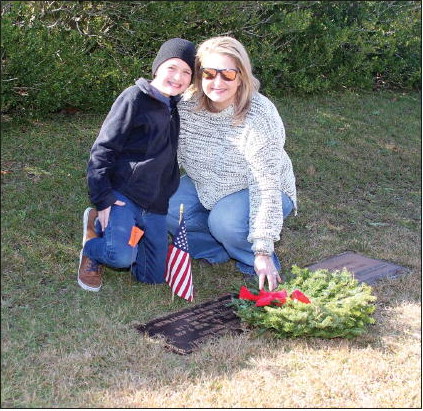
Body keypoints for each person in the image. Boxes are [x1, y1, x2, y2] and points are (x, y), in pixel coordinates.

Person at [167, 36, 297, 292]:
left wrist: (261, 248)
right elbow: (166, 156)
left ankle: (255, 263)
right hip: (205, 183)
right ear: (199, 75)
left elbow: (266, 184)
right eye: (209, 73)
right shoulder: (186, 106)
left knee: (225, 221)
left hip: (259, 187)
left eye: (227, 74)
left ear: (241, 75)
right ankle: (218, 250)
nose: (217, 82)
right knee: (168, 207)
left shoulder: (259, 114)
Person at [77, 38, 196, 292]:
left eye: (186, 72)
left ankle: (127, 236)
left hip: (155, 203)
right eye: (172, 67)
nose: (178, 77)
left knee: (151, 277)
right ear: (157, 68)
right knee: (120, 257)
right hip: (124, 195)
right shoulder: (134, 98)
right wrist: (103, 196)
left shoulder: (175, 107)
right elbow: (103, 149)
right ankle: (92, 242)